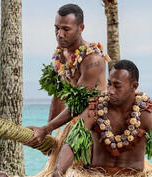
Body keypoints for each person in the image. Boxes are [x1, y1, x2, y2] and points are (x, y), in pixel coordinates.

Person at [5, 60, 152, 177]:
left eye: (117, 86)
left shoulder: (147, 115)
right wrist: (58, 172)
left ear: (134, 86)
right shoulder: (96, 108)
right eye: (109, 83)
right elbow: (72, 143)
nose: (110, 90)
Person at [25, 3, 109, 147]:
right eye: (57, 28)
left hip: (98, 123)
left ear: (81, 28)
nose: (60, 34)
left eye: (66, 29)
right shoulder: (60, 54)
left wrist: (45, 129)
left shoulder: (92, 59)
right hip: (76, 121)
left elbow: (79, 103)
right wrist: (48, 134)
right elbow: (59, 95)